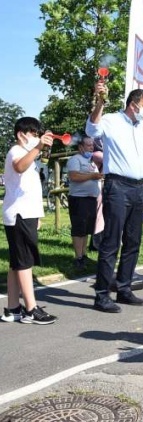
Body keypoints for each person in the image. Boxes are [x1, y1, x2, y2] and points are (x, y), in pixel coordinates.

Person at [85, 83, 143, 313]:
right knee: (111, 241)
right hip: (117, 185)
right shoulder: (112, 120)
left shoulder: (142, 128)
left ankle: (123, 288)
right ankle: (102, 295)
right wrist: (100, 102)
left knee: (133, 241)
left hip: (137, 188)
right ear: (133, 105)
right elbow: (92, 129)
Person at [1, 117, 57, 324]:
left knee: (17, 263)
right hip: (18, 214)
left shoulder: (28, 155)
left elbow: (30, 189)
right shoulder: (17, 151)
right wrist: (38, 147)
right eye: (33, 134)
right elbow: (18, 167)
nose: (36, 137)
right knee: (25, 262)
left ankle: (13, 308)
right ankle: (31, 310)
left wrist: (38, 215)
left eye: (37, 134)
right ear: (21, 135)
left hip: (27, 214)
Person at [67, 136, 103, 269]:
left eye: (92, 146)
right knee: (78, 229)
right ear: (80, 147)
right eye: (88, 145)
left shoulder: (91, 162)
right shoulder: (75, 160)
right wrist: (93, 176)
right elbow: (74, 176)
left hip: (90, 199)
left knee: (87, 229)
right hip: (79, 199)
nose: (91, 148)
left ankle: (84, 254)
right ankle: (78, 257)